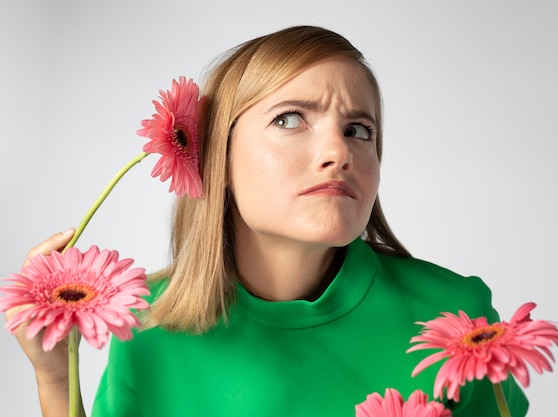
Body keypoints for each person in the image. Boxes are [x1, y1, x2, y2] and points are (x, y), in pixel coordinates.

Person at [7, 26, 529, 417]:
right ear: (216, 157)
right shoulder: (143, 326)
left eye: (359, 129)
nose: (338, 151)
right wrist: (55, 380)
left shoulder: (457, 317)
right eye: (290, 119)